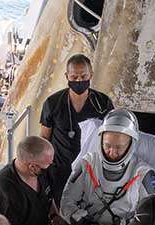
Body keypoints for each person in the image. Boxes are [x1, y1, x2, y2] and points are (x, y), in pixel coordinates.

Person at [40, 53, 114, 206]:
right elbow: (44, 138)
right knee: (63, 209)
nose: (79, 80)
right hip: (61, 169)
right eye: (74, 77)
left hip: (91, 169)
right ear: (67, 76)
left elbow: (111, 135)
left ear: (91, 75)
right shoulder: (53, 103)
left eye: (83, 76)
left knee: (89, 208)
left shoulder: (102, 102)